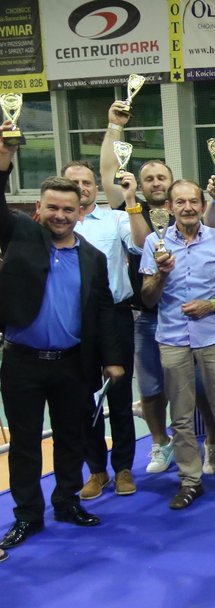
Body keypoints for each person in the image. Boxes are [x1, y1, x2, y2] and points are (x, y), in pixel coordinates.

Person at [0, 136, 125, 553]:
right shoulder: (19, 234)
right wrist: (4, 158)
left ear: (80, 210)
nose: (60, 215)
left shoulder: (92, 257)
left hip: (73, 363)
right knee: (24, 444)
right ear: (39, 208)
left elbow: (104, 311)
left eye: (68, 209)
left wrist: (112, 359)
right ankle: (27, 515)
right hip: (23, 362)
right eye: (52, 207)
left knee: (72, 437)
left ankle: (67, 501)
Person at [140, 179, 215, 509]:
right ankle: (189, 480)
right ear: (169, 207)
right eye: (180, 202)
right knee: (181, 416)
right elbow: (147, 298)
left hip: (214, 335)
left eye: (193, 201)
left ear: (202, 205)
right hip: (172, 338)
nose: (187, 207)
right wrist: (161, 275)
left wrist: (213, 302)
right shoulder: (154, 242)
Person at [61, 160, 147, 500]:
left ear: (96, 187)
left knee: (120, 397)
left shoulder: (116, 219)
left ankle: (123, 467)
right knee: (83, 400)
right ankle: (96, 469)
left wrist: (131, 200)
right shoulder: (57, 227)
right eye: (74, 182)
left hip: (114, 316)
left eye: (87, 182)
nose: (82, 187)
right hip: (72, 321)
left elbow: (142, 244)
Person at [100, 99, 176, 474]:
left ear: (171, 182)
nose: (156, 183)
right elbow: (108, 173)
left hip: (184, 314)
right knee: (150, 387)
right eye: (149, 178)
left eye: (161, 177)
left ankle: (205, 443)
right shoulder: (130, 208)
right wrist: (114, 127)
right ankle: (160, 443)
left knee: (194, 387)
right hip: (145, 316)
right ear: (140, 184)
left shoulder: (186, 209)